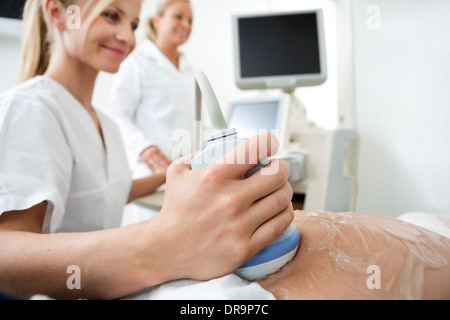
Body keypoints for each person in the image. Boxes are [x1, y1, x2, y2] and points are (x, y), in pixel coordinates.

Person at [0, 0, 294, 300]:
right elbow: (5, 254)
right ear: (57, 13)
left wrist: (187, 174)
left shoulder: (106, 125)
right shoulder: (30, 108)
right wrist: (162, 244)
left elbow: (109, 192)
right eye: (111, 15)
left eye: (133, 25)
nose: (128, 38)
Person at [106, 0, 195, 180]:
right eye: (178, 16)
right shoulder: (136, 61)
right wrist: (145, 148)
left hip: (187, 173)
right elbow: (116, 114)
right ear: (157, 21)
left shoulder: (187, 68)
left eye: (190, 20)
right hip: (151, 173)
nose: (186, 24)